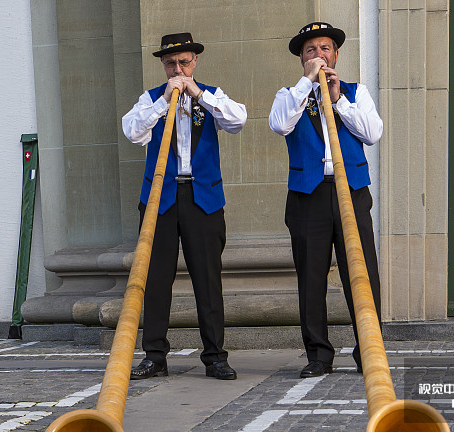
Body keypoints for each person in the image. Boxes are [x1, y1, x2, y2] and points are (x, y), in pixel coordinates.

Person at [122, 32, 247, 380]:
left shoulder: (210, 95)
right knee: (156, 280)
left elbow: (237, 121)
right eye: (171, 64)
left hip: (202, 197)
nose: (178, 69)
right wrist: (164, 103)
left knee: (207, 280)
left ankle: (215, 356)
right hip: (159, 199)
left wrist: (198, 94)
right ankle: (155, 356)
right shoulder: (150, 99)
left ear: (195, 62)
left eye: (184, 62)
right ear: (163, 66)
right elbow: (132, 132)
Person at [269, 22, 383, 378]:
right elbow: (280, 125)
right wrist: (308, 85)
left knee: (362, 273)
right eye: (310, 51)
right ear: (302, 60)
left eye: (325, 49)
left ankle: (369, 350)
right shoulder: (288, 95)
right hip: (308, 195)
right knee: (311, 276)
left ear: (336, 54)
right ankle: (318, 354)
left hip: (351, 189)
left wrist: (337, 100)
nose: (319, 55)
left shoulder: (355, 91)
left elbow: (373, 132)